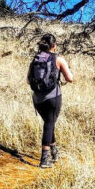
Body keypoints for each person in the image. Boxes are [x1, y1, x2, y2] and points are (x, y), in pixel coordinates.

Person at [27, 32, 74, 168]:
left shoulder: (35, 59)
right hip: (53, 96)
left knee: (49, 123)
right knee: (49, 123)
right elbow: (70, 78)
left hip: (37, 99)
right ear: (54, 45)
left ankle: (54, 151)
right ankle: (44, 158)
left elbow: (27, 80)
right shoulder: (58, 59)